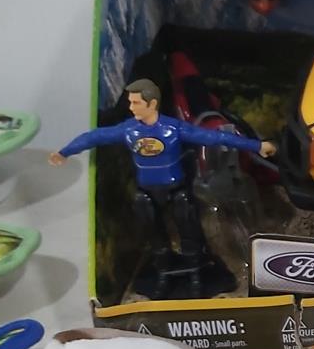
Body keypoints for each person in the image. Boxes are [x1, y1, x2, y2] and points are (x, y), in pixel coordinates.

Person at [50, 78, 276, 265]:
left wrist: (257, 145)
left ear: (152, 104)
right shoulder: (129, 130)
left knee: (187, 223)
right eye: (130, 103)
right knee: (152, 230)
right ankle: (162, 267)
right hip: (147, 191)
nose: (131, 108)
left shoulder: (174, 129)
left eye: (136, 103)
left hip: (176, 188)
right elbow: (94, 136)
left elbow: (216, 137)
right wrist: (65, 152)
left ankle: (195, 266)